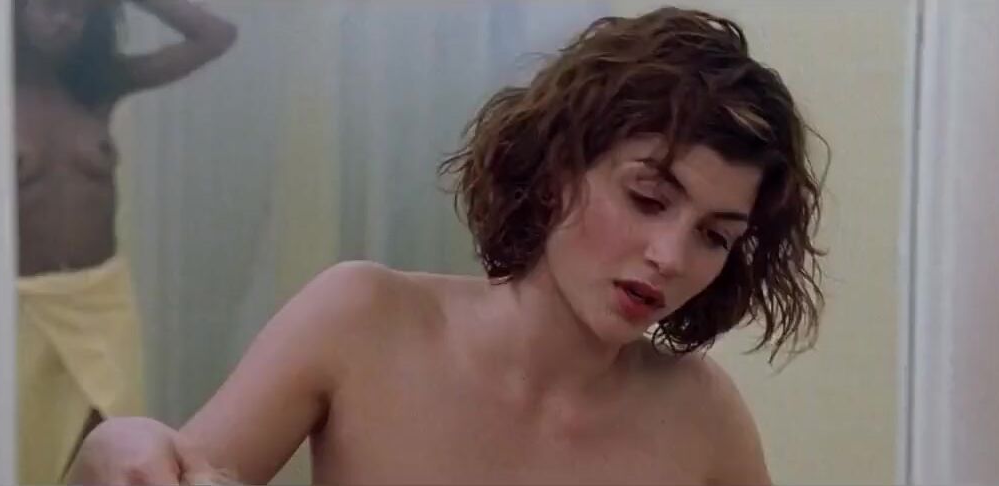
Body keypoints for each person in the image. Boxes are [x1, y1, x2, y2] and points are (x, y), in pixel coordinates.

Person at [69, 6, 824, 485]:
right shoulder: (362, 320)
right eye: (648, 199)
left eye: (714, 236)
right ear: (559, 167)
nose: (670, 255)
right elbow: (167, 473)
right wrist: (109, 458)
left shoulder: (701, 419)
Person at [13, 0, 236, 483]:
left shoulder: (96, 86)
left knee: (114, 446)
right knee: (22, 451)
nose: (64, 21)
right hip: (21, 307)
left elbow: (216, 36)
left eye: (79, 11)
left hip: (100, 304)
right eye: (50, 7)